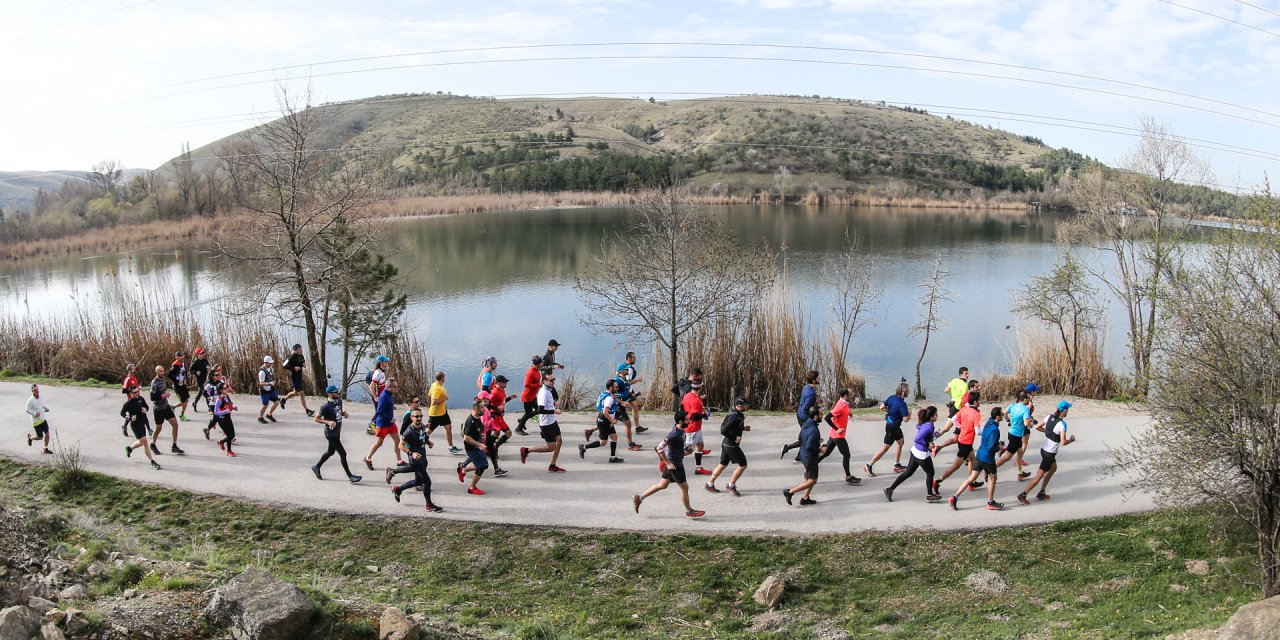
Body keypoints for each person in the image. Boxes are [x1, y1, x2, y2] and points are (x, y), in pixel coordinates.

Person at [632, 410, 705, 519]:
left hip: (675, 461)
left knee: (663, 485)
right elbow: (659, 448)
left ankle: (639, 497)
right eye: (687, 420)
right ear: (680, 421)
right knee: (684, 487)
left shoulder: (681, 430)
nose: (689, 421)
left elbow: (676, 447)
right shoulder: (674, 434)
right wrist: (668, 463)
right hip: (675, 465)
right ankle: (689, 511)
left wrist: (686, 450)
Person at [1018, 401, 1076, 505]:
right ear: (1064, 411)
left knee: (1053, 468)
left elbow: (1037, 427)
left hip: (1043, 449)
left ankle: (1042, 492)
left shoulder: (1049, 417)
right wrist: (1071, 440)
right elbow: (1063, 442)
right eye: (1067, 409)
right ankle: (1023, 494)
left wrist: (1049, 432)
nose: (1068, 411)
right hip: (1050, 453)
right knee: (1039, 476)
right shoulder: (1062, 424)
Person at [882, 406, 942, 503]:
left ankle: (890, 489)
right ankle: (930, 495)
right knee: (930, 473)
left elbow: (923, 433)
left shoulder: (926, 423)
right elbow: (917, 439)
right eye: (936, 414)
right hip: (921, 454)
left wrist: (935, 435)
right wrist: (928, 445)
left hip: (915, 451)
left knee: (908, 473)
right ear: (931, 417)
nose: (937, 416)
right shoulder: (928, 426)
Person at [950, 406, 1005, 510]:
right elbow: (991, 447)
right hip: (987, 458)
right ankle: (990, 502)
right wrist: (999, 448)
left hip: (979, 455)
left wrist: (996, 444)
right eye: (1002, 414)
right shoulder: (995, 430)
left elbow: (987, 439)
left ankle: (955, 497)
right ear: (997, 417)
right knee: (993, 478)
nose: (1003, 415)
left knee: (972, 477)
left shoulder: (988, 423)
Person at [391, 405, 443, 513]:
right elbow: (400, 445)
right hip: (416, 460)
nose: (419, 418)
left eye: (421, 416)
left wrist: (428, 442)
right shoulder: (408, 432)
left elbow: (423, 435)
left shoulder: (422, 426)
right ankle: (428, 504)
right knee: (427, 482)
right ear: (411, 417)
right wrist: (411, 453)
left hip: (423, 457)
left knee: (418, 481)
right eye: (417, 417)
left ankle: (398, 489)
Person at [933, 391, 983, 493]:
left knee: (972, 460)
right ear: (975, 402)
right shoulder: (976, 414)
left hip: (962, 440)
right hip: (966, 443)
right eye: (979, 400)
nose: (979, 402)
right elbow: (977, 431)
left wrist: (960, 427)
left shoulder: (964, 409)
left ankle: (971, 482)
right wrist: (987, 433)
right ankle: (937, 481)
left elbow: (954, 419)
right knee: (955, 466)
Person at [311, 385, 362, 483]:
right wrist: (328, 422)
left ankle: (316, 466)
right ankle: (350, 476)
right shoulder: (325, 406)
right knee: (343, 454)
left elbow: (337, 412)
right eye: (335, 392)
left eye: (338, 391)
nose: (338, 393)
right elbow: (316, 418)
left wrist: (343, 414)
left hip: (337, 432)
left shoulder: (339, 401)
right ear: (329, 394)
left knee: (330, 452)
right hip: (330, 434)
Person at [519, 373, 567, 473]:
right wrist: (554, 411)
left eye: (554, 379)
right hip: (546, 424)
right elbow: (540, 410)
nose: (553, 382)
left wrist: (553, 403)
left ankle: (552, 465)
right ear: (544, 381)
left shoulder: (548, 390)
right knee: (551, 447)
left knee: (559, 441)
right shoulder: (544, 392)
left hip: (552, 421)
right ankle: (526, 450)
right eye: (551, 380)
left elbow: (547, 403)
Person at [705, 397, 751, 496]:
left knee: (722, 464)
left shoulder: (736, 413)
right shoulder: (734, 417)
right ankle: (731, 485)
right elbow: (723, 430)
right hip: (731, 445)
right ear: (739, 406)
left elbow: (732, 426)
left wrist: (743, 428)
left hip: (726, 444)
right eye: (745, 405)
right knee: (743, 465)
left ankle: (709, 484)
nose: (747, 407)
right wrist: (734, 438)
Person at [866, 379, 911, 476]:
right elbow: (906, 419)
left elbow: (881, 407)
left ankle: (897, 465)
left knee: (900, 442)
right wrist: (909, 413)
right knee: (885, 448)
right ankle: (869, 465)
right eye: (908, 390)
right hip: (892, 428)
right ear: (904, 391)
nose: (909, 392)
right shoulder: (902, 404)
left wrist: (889, 411)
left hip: (894, 426)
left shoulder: (892, 397)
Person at [817, 387, 861, 485]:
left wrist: (849, 412)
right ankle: (848, 477)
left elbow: (844, 408)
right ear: (845, 395)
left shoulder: (844, 403)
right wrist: (837, 429)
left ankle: (811, 466)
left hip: (834, 435)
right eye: (851, 393)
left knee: (826, 453)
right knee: (847, 455)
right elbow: (827, 418)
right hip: (838, 436)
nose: (853, 394)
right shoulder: (840, 406)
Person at [783, 403, 824, 506]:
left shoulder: (806, 424)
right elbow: (810, 446)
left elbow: (801, 439)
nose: (822, 416)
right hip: (809, 457)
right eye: (821, 414)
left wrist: (816, 440)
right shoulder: (814, 430)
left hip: (802, 454)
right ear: (815, 416)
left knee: (809, 478)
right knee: (812, 480)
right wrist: (820, 449)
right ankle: (790, 492)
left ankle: (805, 498)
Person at [580, 379, 626, 463]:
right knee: (603, 443)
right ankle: (584, 447)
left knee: (614, 437)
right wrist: (612, 420)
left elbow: (614, 397)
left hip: (606, 420)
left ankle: (612, 458)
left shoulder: (607, 393)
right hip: (604, 420)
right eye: (616, 387)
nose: (617, 388)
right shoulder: (609, 398)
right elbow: (605, 412)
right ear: (611, 388)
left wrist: (622, 402)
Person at [997, 389, 1038, 480]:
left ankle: (1020, 473)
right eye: (1028, 398)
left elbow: (1004, 413)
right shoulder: (1025, 409)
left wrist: (1008, 420)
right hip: (1016, 436)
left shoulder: (1013, 405)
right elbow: (1026, 423)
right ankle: (991, 469)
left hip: (1011, 433)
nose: (1029, 400)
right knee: (1007, 457)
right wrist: (1031, 425)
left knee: (1019, 453)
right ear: (1024, 399)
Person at [364, 378, 404, 470]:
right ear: (388, 387)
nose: (396, 388)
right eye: (394, 387)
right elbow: (379, 411)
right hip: (383, 424)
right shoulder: (384, 396)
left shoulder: (390, 394)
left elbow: (386, 405)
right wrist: (390, 418)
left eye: (396, 386)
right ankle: (368, 458)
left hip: (390, 424)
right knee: (379, 443)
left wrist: (391, 406)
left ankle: (399, 460)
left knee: (397, 440)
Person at [781, 370, 820, 460]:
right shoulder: (812, 393)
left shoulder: (806, 387)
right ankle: (788, 448)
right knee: (809, 437)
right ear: (814, 380)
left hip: (799, 414)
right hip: (805, 417)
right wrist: (816, 407)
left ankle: (798, 456)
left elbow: (805, 401)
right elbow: (806, 407)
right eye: (818, 377)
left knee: (806, 437)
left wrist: (816, 401)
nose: (819, 378)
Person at [120, 385, 161, 469]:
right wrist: (130, 418)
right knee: (145, 441)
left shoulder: (141, 399)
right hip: (135, 425)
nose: (137, 393)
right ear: (130, 393)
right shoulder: (128, 403)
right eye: (134, 392)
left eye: (137, 392)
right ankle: (152, 462)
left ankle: (129, 448)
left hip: (142, 423)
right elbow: (122, 413)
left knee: (141, 442)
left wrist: (145, 409)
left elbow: (147, 407)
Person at [482, 374, 515, 474]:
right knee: (507, 433)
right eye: (505, 382)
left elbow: (502, 402)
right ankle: (493, 448)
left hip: (500, 416)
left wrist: (510, 398)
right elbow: (487, 404)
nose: (506, 383)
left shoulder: (502, 390)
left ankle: (488, 448)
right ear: (499, 383)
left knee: (497, 434)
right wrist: (497, 408)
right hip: (495, 417)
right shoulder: (495, 392)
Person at [149, 365, 184, 456]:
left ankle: (174, 446)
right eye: (160, 371)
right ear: (156, 372)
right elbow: (152, 397)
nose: (162, 373)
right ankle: (153, 445)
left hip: (166, 407)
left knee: (175, 425)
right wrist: (162, 396)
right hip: (158, 409)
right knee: (158, 428)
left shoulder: (163, 380)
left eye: (163, 371)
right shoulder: (154, 382)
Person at [456, 399, 489, 495]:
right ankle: (472, 488)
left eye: (484, 407)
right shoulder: (470, 422)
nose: (484, 409)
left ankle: (463, 469)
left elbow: (475, 431)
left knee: (484, 465)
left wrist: (480, 435)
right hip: (472, 448)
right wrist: (479, 445)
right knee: (481, 467)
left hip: (477, 447)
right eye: (482, 407)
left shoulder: (477, 418)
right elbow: (466, 438)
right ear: (476, 408)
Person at [680, 379, 713, 475]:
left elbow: (682, 407)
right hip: (693, 428)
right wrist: (705, 415)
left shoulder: (687, 396)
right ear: (700, 388)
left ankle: (698, 468)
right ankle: (668, 460)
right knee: (688, 451)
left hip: (696, 428)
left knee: (700, 446)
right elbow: (694, 417)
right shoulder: (696, 400)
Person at [426, 371, 462, 455]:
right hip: (436, 414)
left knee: (448, 428)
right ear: (442, 378)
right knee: (427, 432)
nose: (445, 378)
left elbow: (429, 395)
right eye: (444, 377)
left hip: (443, 412)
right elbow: (434, 402)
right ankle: (415, 442)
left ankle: (451, 447)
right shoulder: (437, 388)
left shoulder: (434, 384)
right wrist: (444, 398)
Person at [280, 344, 315, 417]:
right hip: (294, 377)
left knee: (295, 392)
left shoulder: (301, 356)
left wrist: (303, 364)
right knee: (301, 393)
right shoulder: (291, 357)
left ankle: (283, 399)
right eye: (299, 349)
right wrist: (294, 368)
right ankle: (307, 410)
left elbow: (302, 362)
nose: (301, 350)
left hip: (299, 377)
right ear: (295, 350)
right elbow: (284, 365)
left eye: (301, 348)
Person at [515, 355, 543, 436]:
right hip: (527, 397)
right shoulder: (530, 372)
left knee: (539, 410)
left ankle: (522, 420)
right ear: (536, 364)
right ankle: (518, 428)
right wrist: (538, 385)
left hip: (533, 396)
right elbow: (527, 385)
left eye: (540, 364)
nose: (540, 365)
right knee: (528, 413)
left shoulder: (537, 370)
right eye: (539, 364)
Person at [619, 352, 646, 433]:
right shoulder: (628, 369)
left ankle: (637, 427)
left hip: (629, 391)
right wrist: (637, 380)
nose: (635, 359)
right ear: (629, 358)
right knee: (615, 412)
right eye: (633, 358)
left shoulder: (624, 366)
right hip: (624, 392)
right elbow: (627, 382)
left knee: (635, 407)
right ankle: (595, 428)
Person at [24, 384, 53, 455]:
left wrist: (45, 408)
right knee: (40, 437)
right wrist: (34, 414)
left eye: (37, 389)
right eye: (35, 390)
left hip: (43, 419)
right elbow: (27, 410)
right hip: (36, 422)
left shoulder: (40, 396)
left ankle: (45, 449)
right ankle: (30, 437)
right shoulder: (30, 400)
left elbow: (40, 404)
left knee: (47, 433)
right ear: (32, 391)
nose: (36, 391)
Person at [211, 381, 238, 457]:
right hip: (222, 420)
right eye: (225, 388)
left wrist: (233, 408)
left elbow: (228, 406)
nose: (227, 389)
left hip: (228, 417)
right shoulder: (219, 399)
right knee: (229, 435)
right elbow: (216, 412)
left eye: (227, 388)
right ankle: (229, 451)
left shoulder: (227, 396)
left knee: (232, 435)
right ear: (221, 390)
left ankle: (221, 442)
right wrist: (225, 411)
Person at [941, 367, 970, 435]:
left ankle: (933, 436)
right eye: (965, 373)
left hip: (952, 406)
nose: (967, 375)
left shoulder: (954, 380)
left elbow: (946, 390)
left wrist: (954, 395)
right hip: (957, 408)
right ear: (961, 374)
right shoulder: (965, 385)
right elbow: (964, 399)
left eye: (968, 373)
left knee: (946, 428)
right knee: (961, 428)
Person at [168, 351, 192, 422]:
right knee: (183, 401)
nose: (182, 358)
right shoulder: (175, 365)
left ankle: (173, 407)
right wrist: (177, 381)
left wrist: (187, 376)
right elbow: (169, 375)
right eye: (180, 357)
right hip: (177, 385)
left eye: (182, 356)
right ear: (176, 357)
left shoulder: (183, 364)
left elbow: (183, 372)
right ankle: (182, 415)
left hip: (183, 384)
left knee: (186, 400)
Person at [257, 356, 280, 424]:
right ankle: (260, 417)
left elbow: (273, 377)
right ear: (265, 363)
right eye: (270, 363)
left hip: (271, 390)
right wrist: (270, 384)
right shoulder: (262, 372)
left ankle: (269, 414)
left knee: (276, 402)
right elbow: (261, 383)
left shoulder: (270, 368)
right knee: (265, 405)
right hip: (264, 391)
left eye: (271, 363)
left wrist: (274, 381)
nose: (271, 364)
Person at [190, 348, 210, 412]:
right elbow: (190, 370)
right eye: (201, 353)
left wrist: (208, 367)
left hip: (206, 380)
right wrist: (196, 372)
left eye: (203, 353)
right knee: (206, 394)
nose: (202, 354)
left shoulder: (205, 360)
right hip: (200, 381)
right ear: (197, 354)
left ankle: (194, 403)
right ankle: (210, 408)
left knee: (199, 394)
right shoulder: (195, 362)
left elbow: (208, 366)